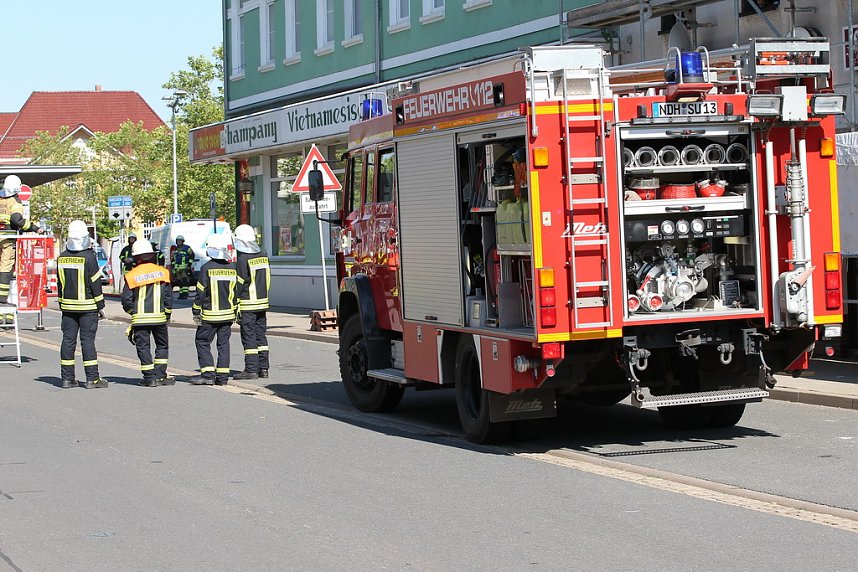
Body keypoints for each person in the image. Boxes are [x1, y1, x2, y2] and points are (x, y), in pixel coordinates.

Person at [57, 220, 108, 389]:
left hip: (68, 308)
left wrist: (61, 303)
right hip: (87, 308)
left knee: (68, 342)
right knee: (87, 342)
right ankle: (92, 379)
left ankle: (67, 378)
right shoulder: (89, 257)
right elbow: (95, 283)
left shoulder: (62, 257)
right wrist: (100, 305)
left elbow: (60, 284)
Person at [121, 239, 174, 387]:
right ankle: (160, 375)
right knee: (162, 346)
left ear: (136, 257)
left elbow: (126, 300)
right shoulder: (163, 272)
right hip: (159, 318)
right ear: (151, 255)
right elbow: (168, 297)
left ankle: (149, 378)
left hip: (140, 319)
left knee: (143, 347)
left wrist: (133, 312)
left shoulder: (131, 275)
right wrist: (167, 314)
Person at [190, 233, 237, 386]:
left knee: (202, 341)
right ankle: (222, 378)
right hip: (228, 315)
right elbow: (236, 292)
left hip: (210, 316)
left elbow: (200, 292)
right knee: (223, 345)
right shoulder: (232, 268)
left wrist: (196, 311)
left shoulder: (206, 268)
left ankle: (208, 374)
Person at [233, 225, 270, 380]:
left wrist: (235, 303)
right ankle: (264, 369)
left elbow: (239, 284)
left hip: (248, 304)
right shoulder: (263, 255)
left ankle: (251, 370)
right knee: (261, 336)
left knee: (249, 336)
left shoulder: (243, 259)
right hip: (262, 303)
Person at [0, 174, 40, 304]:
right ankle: (1, 300)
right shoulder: (15, 201)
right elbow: (16, 220)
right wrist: (32, 227)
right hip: (8, 240)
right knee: (6, 269)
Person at [171, 235, 196, 299]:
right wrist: (173, 268)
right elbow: (174, 260)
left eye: (180, 241)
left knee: (185, 282)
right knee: (180, 282)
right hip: (178, 269)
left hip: (184, 268)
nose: (178, 242)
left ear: (182, 241)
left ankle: (185, 294)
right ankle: (181, 294)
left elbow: (192, 255)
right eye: (177, 241)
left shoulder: (187, 248)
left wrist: (189, 265)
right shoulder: (176, 250)